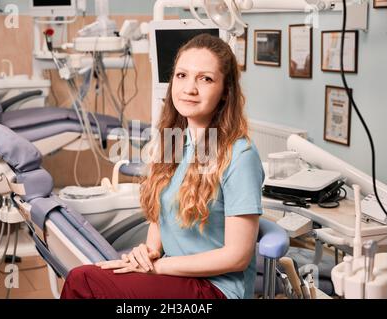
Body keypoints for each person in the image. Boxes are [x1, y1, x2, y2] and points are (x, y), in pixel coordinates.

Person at [60, 33, 264, 299]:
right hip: (173, 276)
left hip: (215, 291)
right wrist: (149, 251)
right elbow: (160, 213)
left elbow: (236, 257)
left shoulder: (240, 154)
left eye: (205, 78)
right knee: (89, 280)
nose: (189, 88)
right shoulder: (175, 142)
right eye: (182, 75)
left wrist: (158, 267)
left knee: (83, 281)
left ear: (225, 92)